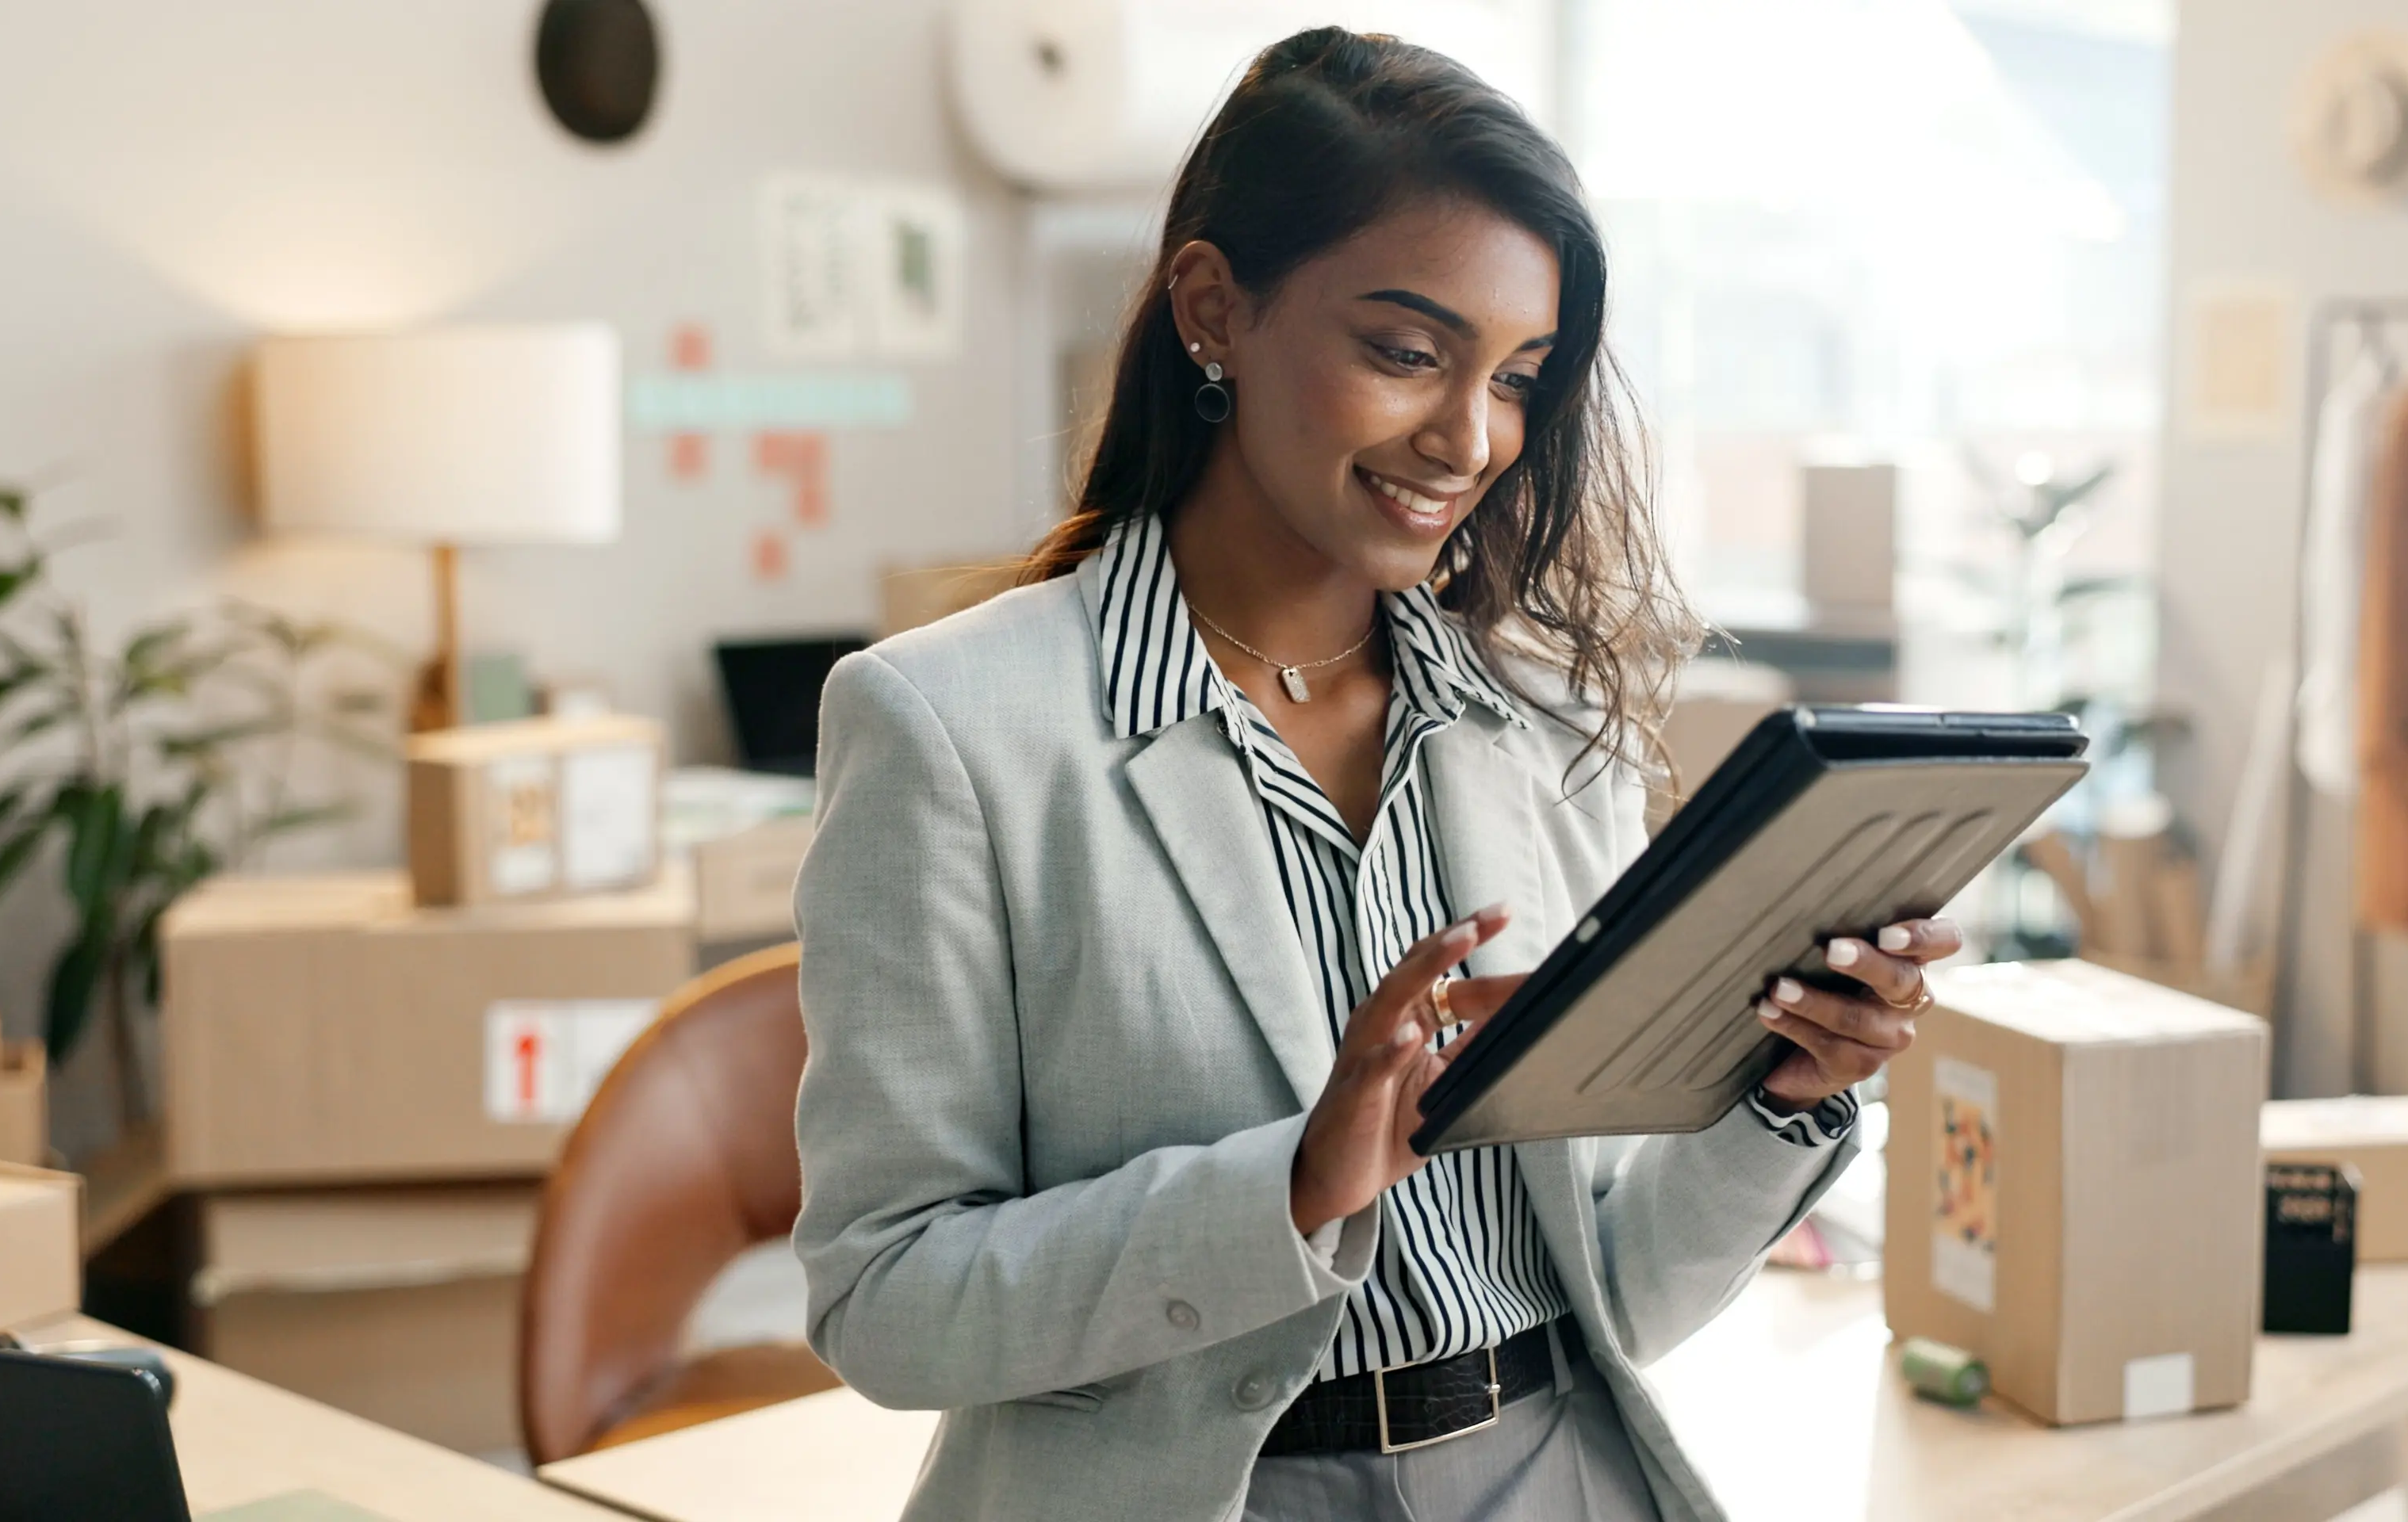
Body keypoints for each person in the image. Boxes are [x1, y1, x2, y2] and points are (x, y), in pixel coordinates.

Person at [789, 28, 1953, 1522]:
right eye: (1407, 352)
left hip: (1555, 1476)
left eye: (1520, 377)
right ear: (1215, 310)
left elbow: (1619, 1298)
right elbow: (883, 1300)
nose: (1471, 439)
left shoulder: (1545, 727)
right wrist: (1289, 1185)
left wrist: (1783, 1098)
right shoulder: (947, 728)